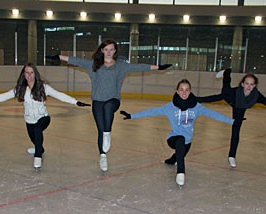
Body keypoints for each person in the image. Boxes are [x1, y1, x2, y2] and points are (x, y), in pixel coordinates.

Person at [46, 39, 172, 172]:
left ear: (115, 51)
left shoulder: (121, 66)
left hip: (113, 100)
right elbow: (77, 60)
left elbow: (139, 67)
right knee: (100, 130)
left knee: (107, 111)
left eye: (111, 49)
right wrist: (59, 56)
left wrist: (158, 67)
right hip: (97, 101)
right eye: (106, 49)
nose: (109, 52)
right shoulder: (94, 64)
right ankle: (102, 155)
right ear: (102, 50)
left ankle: (108, 132)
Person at [120, 79, 242, 186]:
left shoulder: (196, 107)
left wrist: (232, 121)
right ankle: (181, 172)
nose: (184, 93)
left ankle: (171, 160)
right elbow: (151, 111)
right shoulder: (170, 107)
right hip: (174, 138)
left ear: (190, 91)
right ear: (177, 91)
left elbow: (213, 114)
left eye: (187, 90)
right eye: (181, 90)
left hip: (188, 141)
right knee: (180, 141)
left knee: (178, 154)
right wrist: (131, 116)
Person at [0, 63, 90, 170]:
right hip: (29, 121)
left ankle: (38, 157)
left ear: (35, 74)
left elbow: (60, 95)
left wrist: (76, 102)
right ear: (23, 74)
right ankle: (40, 149)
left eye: (31, 72)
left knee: (38, 130)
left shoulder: (43, 87)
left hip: (43, 118)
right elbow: (4, 96)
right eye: (27, 72)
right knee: (35, 139)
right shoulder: (20, 89)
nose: (29, 75)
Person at [201, 68, 266, 168]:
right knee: (226, 86)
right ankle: (227, 72)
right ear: (242, 84)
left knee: (236, 130)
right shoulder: (233, 92)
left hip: (241, 107)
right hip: (232, 99)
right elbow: (215, 97)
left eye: (252, 84)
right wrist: (197, 100)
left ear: (255, 85)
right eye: (247, 83)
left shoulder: (256, 96)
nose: (249, 86)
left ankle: (232, 156)